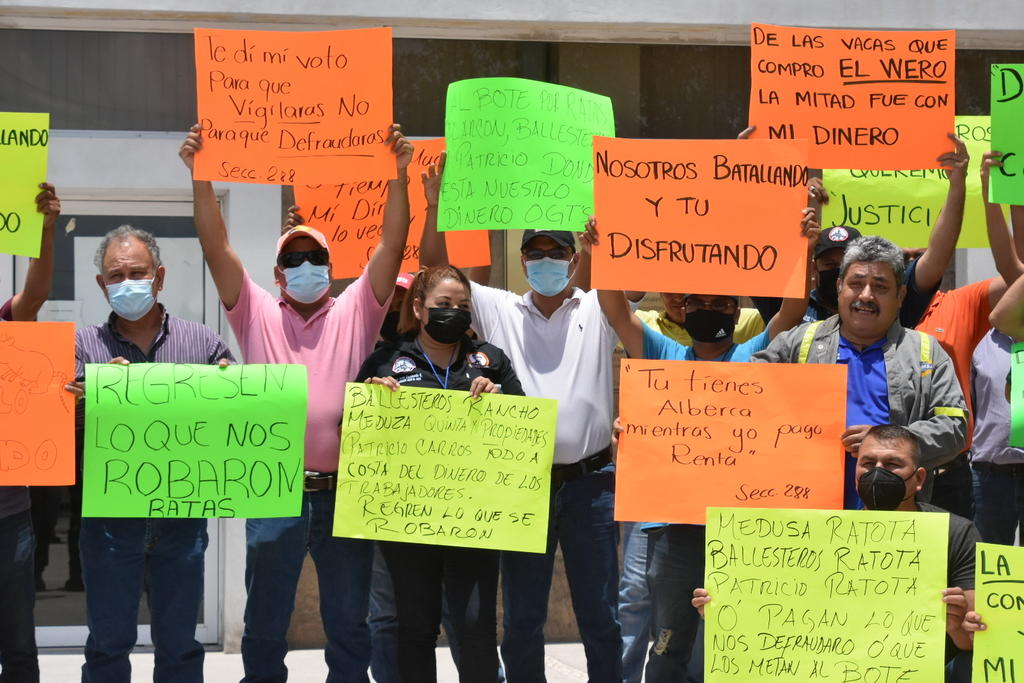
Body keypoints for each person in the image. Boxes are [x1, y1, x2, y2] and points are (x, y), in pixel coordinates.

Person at [180, 123, 413, 683]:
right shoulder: (254, 311)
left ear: (331, 268)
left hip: (345, 493)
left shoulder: (358, 309)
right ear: (280, 272)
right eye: (296, 258)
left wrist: (399, 177)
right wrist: (201, 175)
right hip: (274, 489)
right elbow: (216, 245)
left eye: (316, 257)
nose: (307, 265)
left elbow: (392, 244)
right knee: (264, 621)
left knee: (348, 623)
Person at [597, 209, 819, 683]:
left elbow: (793, 311)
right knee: (669, 639)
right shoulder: (661, 351)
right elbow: (615, 310)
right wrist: (603, 251)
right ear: (682, 309)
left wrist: (802, 245)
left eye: (721, 304)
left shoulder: (757, 351)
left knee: (735, 639)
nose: (709, 311)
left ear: (736, 314)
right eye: (699, 302)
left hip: (743, 521)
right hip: (673, 524)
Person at [421, 210, 625, 680]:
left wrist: (607, 239)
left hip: (591, 486)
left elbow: (635, 270)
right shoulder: (499, 309)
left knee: (600, 616)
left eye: (557, 253)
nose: (547, 261)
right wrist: (435, 206)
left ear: (575, 260)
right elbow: (435, 275)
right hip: (522, 486)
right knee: (522, 618)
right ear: (522, 259)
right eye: (537, 254)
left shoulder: (599, 306)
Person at [692, 425, 978, 682]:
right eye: (867, 463)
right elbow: (777, 610)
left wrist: (954, 624)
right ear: (855, 474)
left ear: (918, 479)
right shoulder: (821, 534)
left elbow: (971, 642)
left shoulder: (955, 533)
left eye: (892, 464)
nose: (877, 472)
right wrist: (724, 610)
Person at [75, 225, 234, 683]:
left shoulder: (203, 344)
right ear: (103, 285)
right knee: (106, 646)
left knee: (181, 647)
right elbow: (58, 426)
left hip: (182, 520)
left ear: (159, 277)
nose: (127, 282)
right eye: (116, 275)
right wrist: (93, 393)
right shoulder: (82, 347)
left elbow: (239, 427)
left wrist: (228, 390)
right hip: (109, 522)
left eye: (137, 272)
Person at [356, 265, 523, 682]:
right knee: (414, 630)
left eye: (463, 306)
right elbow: (352, 433)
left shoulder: (491, 360)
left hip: (476, 521)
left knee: (476, 628)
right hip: (407, 523)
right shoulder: (387, 361)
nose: (455, 312)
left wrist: (502, 400)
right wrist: (372, 403)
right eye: (443, 305)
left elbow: (524, 433)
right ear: (419, 308)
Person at [753, 235, 968, 507]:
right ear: (840, 286)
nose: (866, 295)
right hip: (806, 514)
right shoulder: (797, 342)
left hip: (892, 519)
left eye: (880, 286)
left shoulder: (926, 351)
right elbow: (746, 400)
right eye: (856, 284)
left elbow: (954, 427)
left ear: (900, 296)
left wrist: (887, 441)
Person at [750, 132, 968, 330]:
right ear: (814, 269)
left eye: (845, 264)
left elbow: (936, 258)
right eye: (830, 265)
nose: (838, 271)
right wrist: (746, 172)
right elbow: (754, 254)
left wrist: (957, 185)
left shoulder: (890, 306)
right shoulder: (791, 308)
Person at [917, 150, 1024, 518]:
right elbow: (1012, 265)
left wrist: (998, 191)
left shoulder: (963, 303)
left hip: (965, 464)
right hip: (987, 467)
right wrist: (991, 190)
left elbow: (1012, 266)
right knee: (977, 567)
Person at [0, 183, 60, 683]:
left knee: (18, 645)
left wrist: (44, 229)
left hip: (8, 516)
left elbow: (35, 294)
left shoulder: (6, 329)